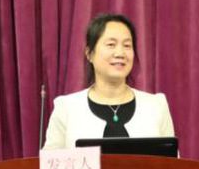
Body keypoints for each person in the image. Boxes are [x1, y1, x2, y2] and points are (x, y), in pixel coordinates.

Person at [42, 13, 175, 150]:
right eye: (111, 44)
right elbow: (50, 162)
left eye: (127, 45)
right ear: (89, 53)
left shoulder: (156, 106)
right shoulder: (66, 108)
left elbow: (173, 161)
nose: (120, 53)